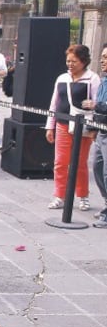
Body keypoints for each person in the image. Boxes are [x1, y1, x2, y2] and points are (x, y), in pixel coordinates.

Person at [46, 44, 100, 211]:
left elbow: (98, 103)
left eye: (74, 61)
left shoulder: (92, 79)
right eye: (68, 61)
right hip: (62, 124)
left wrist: (94, 128)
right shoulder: (62, 78)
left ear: (83, 61)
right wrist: (50, 126)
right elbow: (54, 103)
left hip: (82, 127)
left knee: (80, 163)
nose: (70, 64)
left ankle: (83, 195)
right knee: (60, 162)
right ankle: (59, 195)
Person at [87, 44, 107, 227]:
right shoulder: (103, 80)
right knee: (98, 169)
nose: (103, 61)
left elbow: (101, 105)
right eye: (102, 57)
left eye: (106, 58)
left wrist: (96, 106)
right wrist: (92, 128)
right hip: (101, 131)